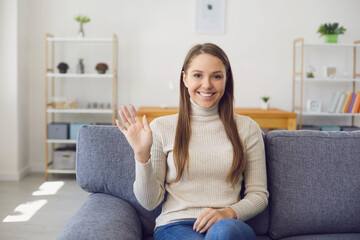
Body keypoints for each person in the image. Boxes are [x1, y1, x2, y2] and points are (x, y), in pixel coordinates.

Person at [116, 43, 268, 240]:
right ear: (185, 78)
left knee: (223, 232)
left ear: (226, 80)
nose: (207, 85)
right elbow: (150, 202)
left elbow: (259, 195)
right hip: (174, 227)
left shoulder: (247, 128)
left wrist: (228, 213)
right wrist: (141, 155)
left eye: (216, 76)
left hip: (228, 227)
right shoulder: (161, 128)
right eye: (197, 75)